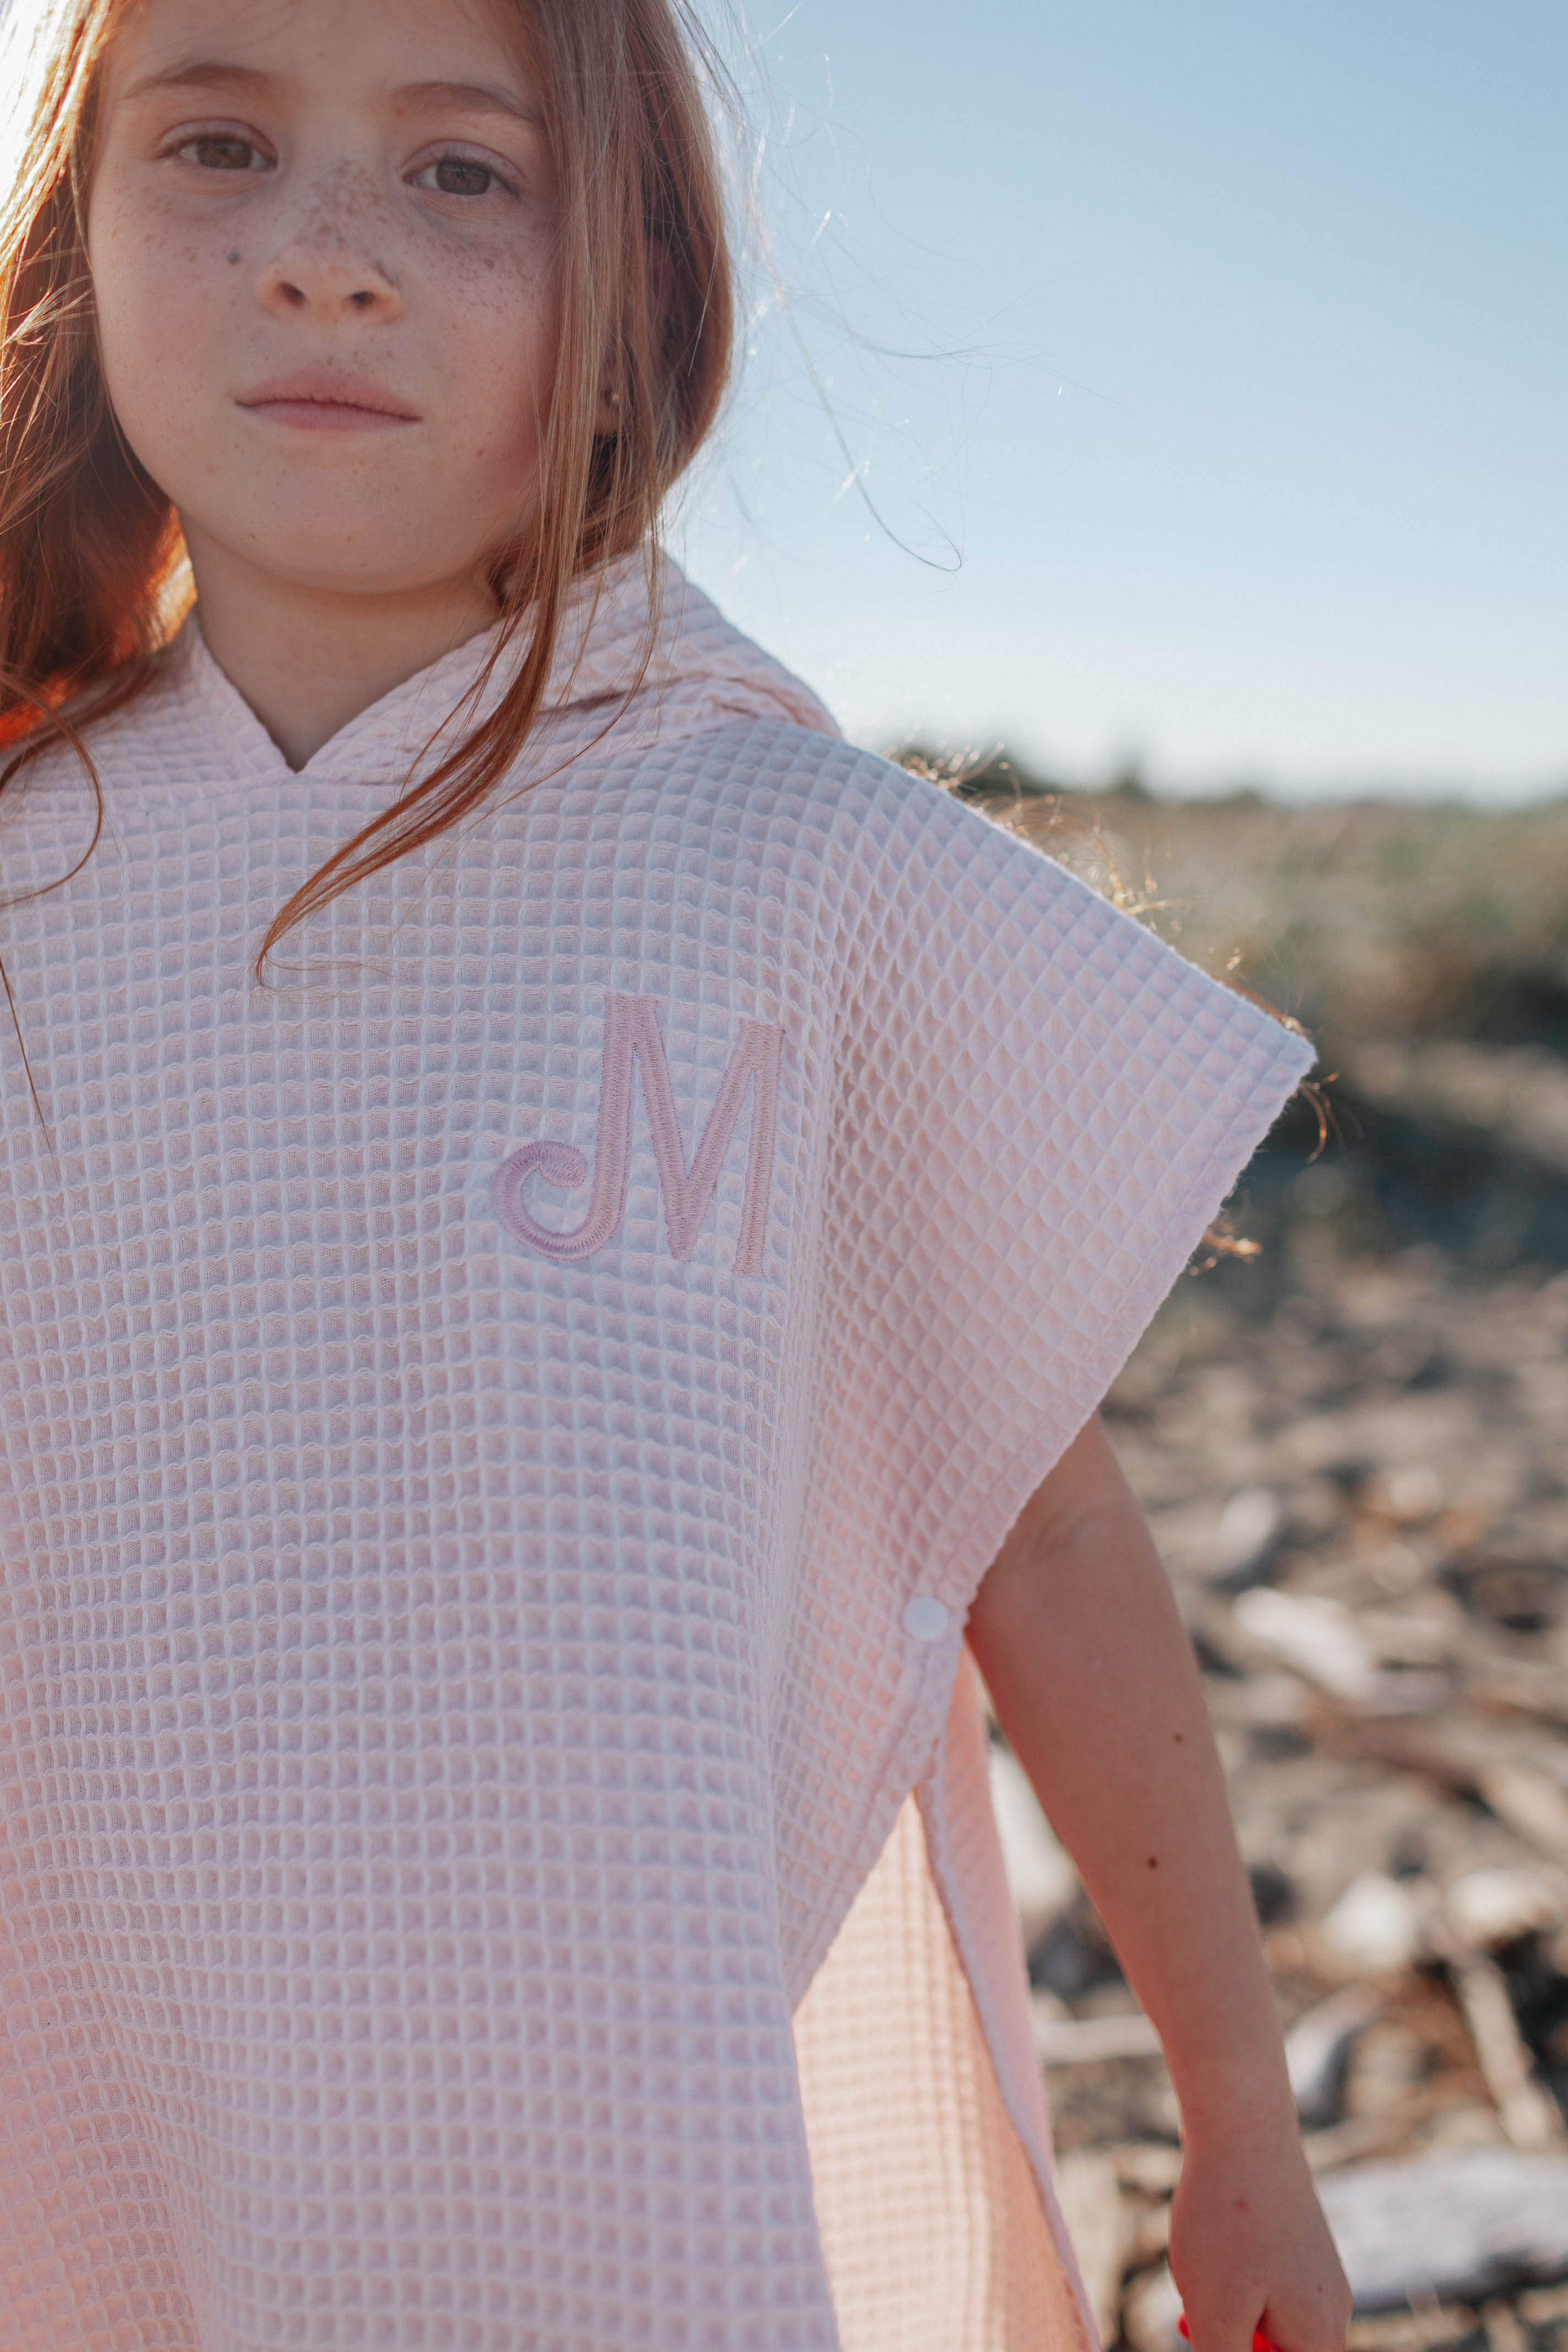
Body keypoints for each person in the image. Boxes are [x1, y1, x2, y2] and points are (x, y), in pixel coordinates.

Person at [0, 3, 1352, 2348]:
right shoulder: (26, 871)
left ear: (633, 295)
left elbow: (1035, 1521)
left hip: (613, 2173)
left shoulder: (781, 864)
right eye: (219, 144)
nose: (326, 256)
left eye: (462, 175)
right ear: (74, 249)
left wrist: (1237, 2118)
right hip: (98, 2120)